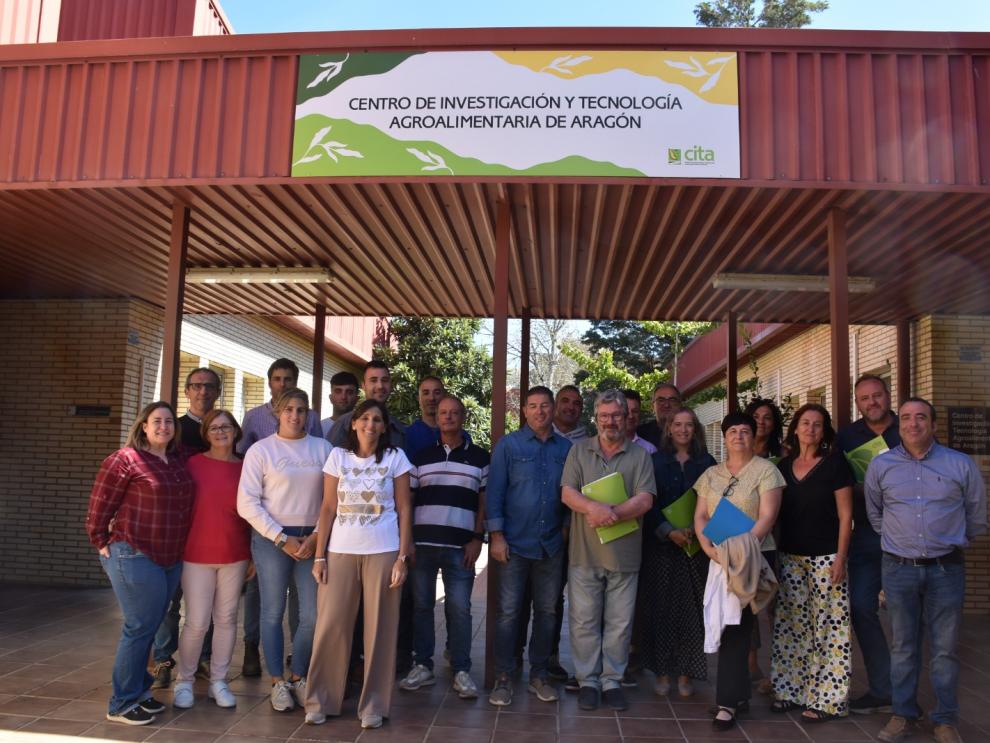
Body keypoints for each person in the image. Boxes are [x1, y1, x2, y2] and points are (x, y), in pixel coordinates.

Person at [867, 398, 986, 743]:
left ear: (933, 425)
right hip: (898, 568)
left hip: (946, 569)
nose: (913, 424)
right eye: (906, 418)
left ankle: (945, 719)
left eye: (921, 417)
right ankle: (902, 714)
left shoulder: (959, 464)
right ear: (899, 425)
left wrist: (950, 539)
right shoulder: (881, 465)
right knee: (903, 647)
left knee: (945, 649)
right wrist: (899, 540)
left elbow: (976, 515)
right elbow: (875, 514)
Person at [305, 399, 414, 730]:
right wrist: (319, 555)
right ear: (353, 423)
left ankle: (374, 705)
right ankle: (320, 700)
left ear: (384, 427)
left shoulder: (396, 458)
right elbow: (327, 508)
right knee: (331, 626)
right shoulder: (337, 457)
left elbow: (405, 509)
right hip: (339, 552)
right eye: (364, 418)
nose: (370, 424)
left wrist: (402, 558)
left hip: (384, 551)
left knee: (380, 630)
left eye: (377, 419)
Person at [85, 402, 193, 726]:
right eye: (156, 421)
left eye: (169, 421)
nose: (163, 426)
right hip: (134, 553)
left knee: (151, 624)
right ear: (143, 426)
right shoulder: (125, 459)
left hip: (170, 557)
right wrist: (100, 540)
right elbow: (100, 505)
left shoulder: (177, 460)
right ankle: (121, 703)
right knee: (139, 626)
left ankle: (140, 692)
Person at [561, 389, 656, 712]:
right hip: (584, 553)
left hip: (625, 555)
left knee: (619, 623)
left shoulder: (640, 456)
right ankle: (588, 681)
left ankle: (612, 681)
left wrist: (610, 513)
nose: (610, 421)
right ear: (596, 418)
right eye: (604, 416)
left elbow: (645, 499)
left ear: (626, 417)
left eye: (616, 415)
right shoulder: (579, 451)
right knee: (583, 621)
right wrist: (593, 508)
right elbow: (567, 493)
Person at [237, 388, 330, 712]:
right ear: (277, 412)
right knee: (273, 611)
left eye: (301, 410)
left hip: (312, 539)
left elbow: (333, 499)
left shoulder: (323, 449)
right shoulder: (261, 451)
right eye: (288, 409)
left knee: (311, 615)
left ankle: (298, 675)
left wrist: (316, 536)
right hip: (272, 540)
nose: (295, 415)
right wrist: (281, 538)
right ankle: (277, 680)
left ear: (309, 414)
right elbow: (246, 503)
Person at [694, 411, 784, 731]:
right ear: (724, 436)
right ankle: (739, 694)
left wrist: (741, 551)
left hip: (752, 557)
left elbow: (768, 515)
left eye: (745, 430)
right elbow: (701, 515)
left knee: (736, 625)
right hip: (718, 557)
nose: (739, 436)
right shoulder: (711, 474)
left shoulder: (766, 470)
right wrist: (709, 549)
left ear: (753, 435)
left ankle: (727, 703)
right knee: (731, 622)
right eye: (732, 431)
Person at [486, 386, 572, 708]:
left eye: (545, 405)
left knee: (547, 612)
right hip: (514, 544)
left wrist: (565, 529)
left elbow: (572, 491)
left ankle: (539, 674)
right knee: (508, 613)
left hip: (551, 544)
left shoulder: (566, 449)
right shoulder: (509, 445)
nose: (539, 411)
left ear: (553, 409)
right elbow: (495, 492)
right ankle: (503, 677)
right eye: (533, 406)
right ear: (524, 411)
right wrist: (496, 536)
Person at [770, 404, 854, 722]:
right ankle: (790, 691)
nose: (810, 429)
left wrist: (841, 558)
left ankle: (828, 700)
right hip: (790, 556)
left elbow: (846, 516)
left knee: (829, 629)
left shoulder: (835, 464)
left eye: (817, 424)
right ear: (795, 428)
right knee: (792, 627)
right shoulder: (782, 466)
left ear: (824, 431)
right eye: (805, 423)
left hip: (827, 557)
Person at [401, 395, 488, 699]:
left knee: (459, 609)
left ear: (463, 417)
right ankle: (423, 665)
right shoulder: (420, 456)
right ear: (437, 418)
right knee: (423, 607)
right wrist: (408, 541)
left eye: (454, 413)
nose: (448, 417)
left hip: (461, 547)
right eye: (443, 413)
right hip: (423, 545)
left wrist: (478, 538)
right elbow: (408, 501)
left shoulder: (480, 457)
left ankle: (461, 669)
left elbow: (484, 502)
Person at [173, 409, 250, 710]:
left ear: (235, 431)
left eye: (226, 427)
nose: (220, 432)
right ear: (206, 433)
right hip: (196, 554)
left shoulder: (246, 467)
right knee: (196, 622)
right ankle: (184, 681)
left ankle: (219, 680)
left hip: (235, 554)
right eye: (214, 428)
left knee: (227, 619)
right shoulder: (193, 464)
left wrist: (253, 556)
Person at [151, 368, 221, 689]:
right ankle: (163, 659)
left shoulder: (222, 428)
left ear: (217, 392)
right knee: (168, 600)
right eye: (196, 386)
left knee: (205, 602)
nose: (203, 391)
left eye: (209, 386)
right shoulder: (174, 429)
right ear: (187, 391)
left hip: (208, 530)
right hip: (175, 529)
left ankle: (203, 658)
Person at [835, 375, 898, 715]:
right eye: (864, 398)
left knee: (906, 616)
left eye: (877, 395)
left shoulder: (908, 428)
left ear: (888, 395)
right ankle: (882, 688)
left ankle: (904, 692)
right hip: (865, 536)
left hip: (906, 537)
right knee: (861, 607)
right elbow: (837, 482)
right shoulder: (847, 437)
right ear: (857, 403)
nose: (872, 402)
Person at [644, 408, 715, 698]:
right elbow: (647, 502)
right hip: (661, 547)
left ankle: (686, 673)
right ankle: (662, 672)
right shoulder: (655, 461)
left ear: (695, 429)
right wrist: (667, 531)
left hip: (696, 548)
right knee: (662, 610)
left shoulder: (707, 463)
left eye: (689, 425)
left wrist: (699, 532)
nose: (683, 430)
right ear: (669, 429)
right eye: (678, 424)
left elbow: (715, 502)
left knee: (692, 611)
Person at [742, 397, 785, 691]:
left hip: (779, 536)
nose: (761, 422)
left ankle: (780, 671)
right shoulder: (738, 456)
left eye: (768, 417)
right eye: (756, 416)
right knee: (748, 604)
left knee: (776, 606)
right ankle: (750, 663)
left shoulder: (784, 456)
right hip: (746, 538)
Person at [240, 358, 323, 452]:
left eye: (287, 379)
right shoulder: (253, 416)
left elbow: (318, 451)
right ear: (269, 383)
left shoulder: (312, 417)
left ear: (295, 383)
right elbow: (241, 453)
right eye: (277, 379)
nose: (282, 384)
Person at [329, 360, 406, 449]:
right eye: (373, 380)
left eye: (384, 380)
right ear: (364, 386)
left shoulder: (398, 428)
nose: (380, 386)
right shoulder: (344, 424)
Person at [404, 376, 445, 458]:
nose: (431, 398)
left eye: (437, 393)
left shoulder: (461, 436)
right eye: (426, 393)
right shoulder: (406, 436)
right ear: (418, 399)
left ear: (444, 397)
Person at [636, 382, 682, 449]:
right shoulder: (639, 435)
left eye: (672, 400)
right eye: (661, 400)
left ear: (680, 404)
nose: (667, 405)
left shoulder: (690, 433)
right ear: (652, 406)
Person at [320, 371, 359, 439]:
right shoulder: (319, 428)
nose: (343, 397)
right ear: (330, 398)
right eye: (338, 391)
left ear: (357, 399)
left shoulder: (364, 428)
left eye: (349, 392)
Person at [624, 389, 658, 455]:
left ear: (640, 414)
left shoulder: (649, 450)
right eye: (626, 411)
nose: (631, 416)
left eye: (635, 411)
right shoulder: (605, 446)